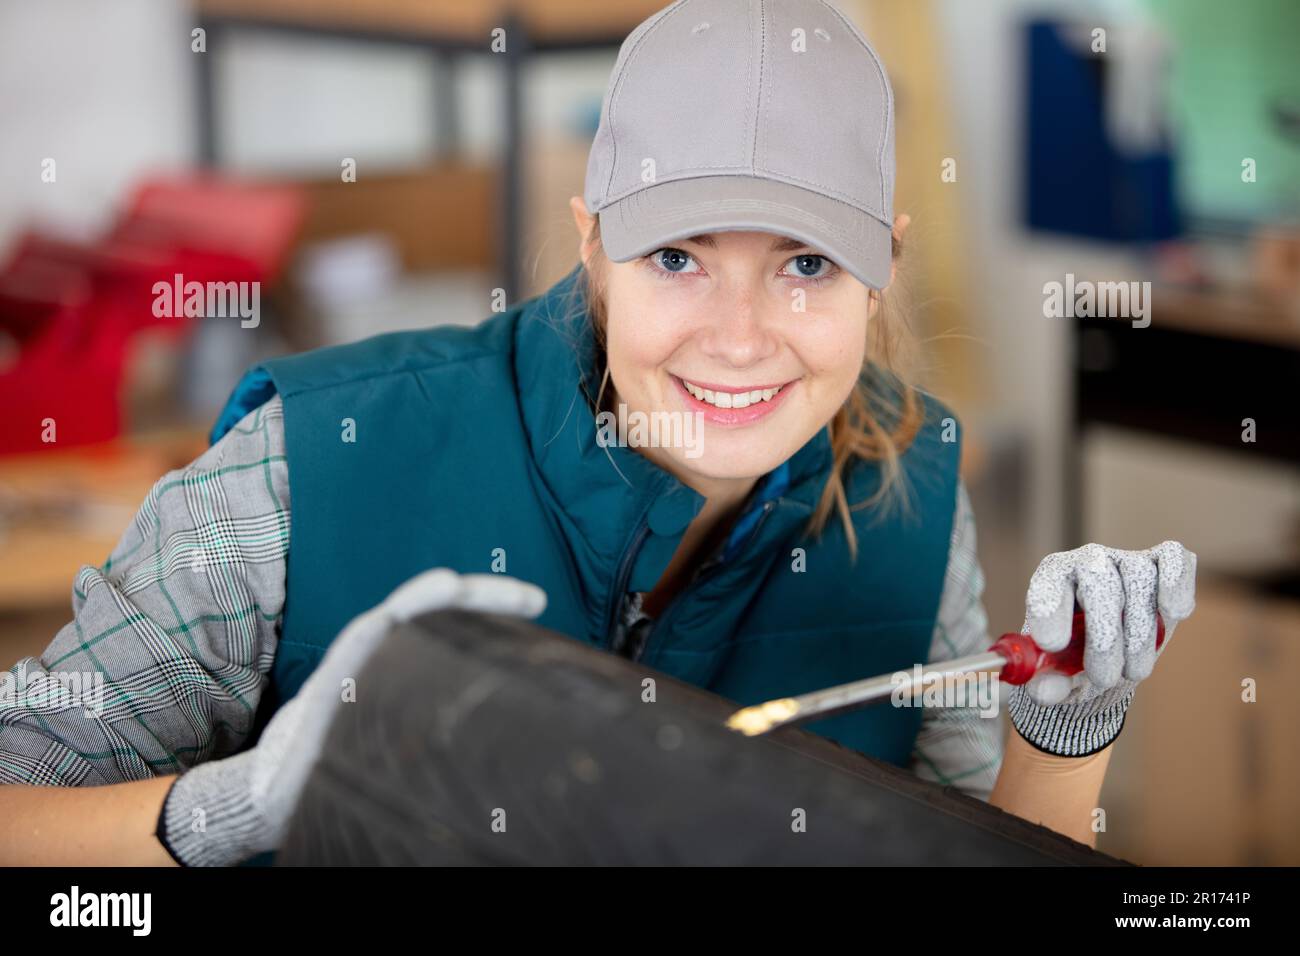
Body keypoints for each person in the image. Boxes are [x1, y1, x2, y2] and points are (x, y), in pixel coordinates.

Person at [0, 0, 1195, 866]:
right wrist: (235, 807)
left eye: (805, 264)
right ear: (591, 242)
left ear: (881, 264)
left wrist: (1067, 724)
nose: (739, 338)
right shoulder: (302, 466)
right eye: (677, 256)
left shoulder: (910, 480)